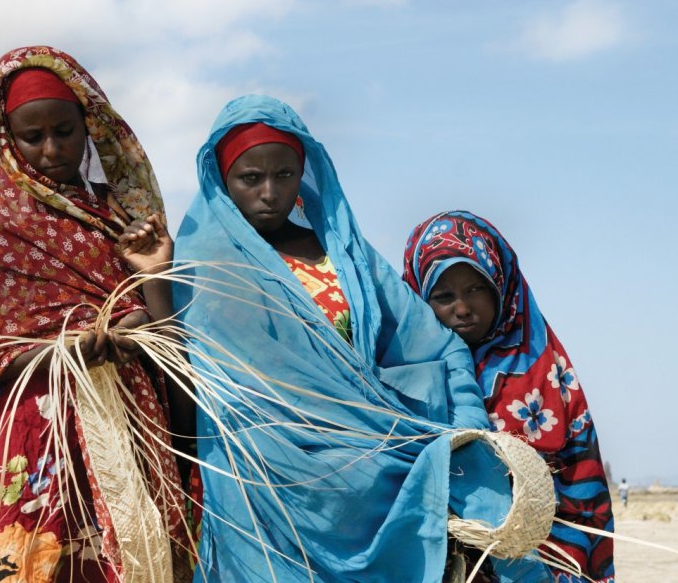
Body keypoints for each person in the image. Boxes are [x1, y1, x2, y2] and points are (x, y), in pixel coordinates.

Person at [172, 95, 550, 582]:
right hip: (265, 484)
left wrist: (466, 430)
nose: (269, 191)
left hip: (373, 467)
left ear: (305, 174)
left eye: (285, 175)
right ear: (223, 181)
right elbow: (190, 375)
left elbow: (438, 346)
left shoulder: (346, 257)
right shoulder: (203, 267)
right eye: (250, 178)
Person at [0, 46, 193, 582]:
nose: (51, 149)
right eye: (32, 136)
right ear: (7, 138)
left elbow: (165, 333)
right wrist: (53, 350)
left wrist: (139, 310)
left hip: (127, 426)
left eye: (64, 131)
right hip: (30, 435)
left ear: (88, 127)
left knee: (135, 563)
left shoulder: (121, 218)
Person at [403, 210, 615, 583]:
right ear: (419, 297)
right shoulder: (404, 372)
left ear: (501, 283)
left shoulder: (543, 366)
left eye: (475, 289)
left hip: (548, 561)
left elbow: (579, 481)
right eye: (444, 295)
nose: (463, 308)